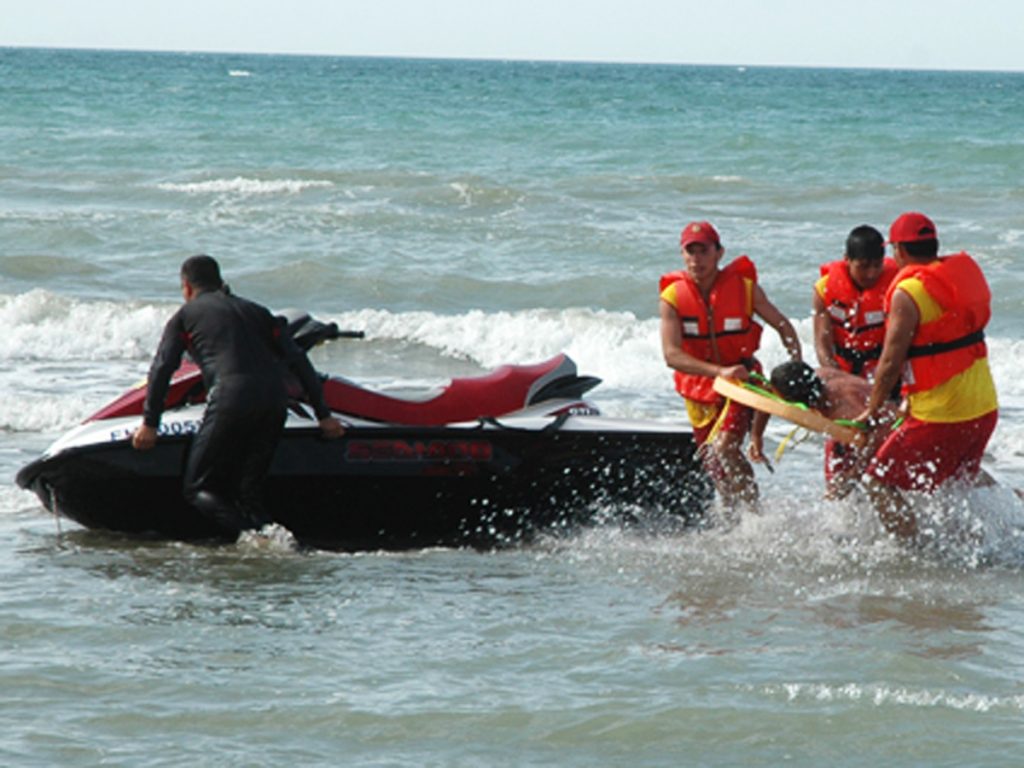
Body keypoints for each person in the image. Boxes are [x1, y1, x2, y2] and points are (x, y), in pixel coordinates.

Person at [131, 255, 346, 537]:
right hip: (275, 400)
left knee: (198, 488)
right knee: (248, 493)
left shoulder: (185, 317)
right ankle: (277, 539)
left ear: (186, 287)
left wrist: (150, 423)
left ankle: (261, 540)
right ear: (221, 282)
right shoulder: (258, 312)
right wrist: (324, 416)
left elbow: (162, 369)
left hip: (231, 398)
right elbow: (299, 362)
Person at [855, 212, 998, 539]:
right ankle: (985, 538)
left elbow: (891, 361)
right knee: (956, 484)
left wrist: (873, 408)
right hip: (984, 407)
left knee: (877, 481)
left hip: (942, 414)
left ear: (899, 252)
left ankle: (915, 555)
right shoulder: (961, 277)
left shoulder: (909, 291)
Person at [659, 220, 802, 510]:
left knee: (725, 447)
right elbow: (671, 355)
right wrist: (717, 372)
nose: (696, 259)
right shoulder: (672, 298)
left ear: (719, 253)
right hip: (701, 385)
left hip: (741, 380)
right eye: (691, 251)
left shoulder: (745, 289)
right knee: (713, 464)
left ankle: (754, 516)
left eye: (704, 251)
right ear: (682, 254)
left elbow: (783, 325)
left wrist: (795, 363)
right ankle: (732, 519)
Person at [811, 225, 899, 488]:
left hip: (885, 373)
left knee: (884, 447)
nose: (871, 274)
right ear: (846, 260)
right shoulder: (824, 289)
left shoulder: (897, 288)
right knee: (839, 449)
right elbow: (822, 341)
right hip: (844, 372)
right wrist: (835, 379)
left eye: (876, 266)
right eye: (863, 266)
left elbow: (900, 346)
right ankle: (839, 504)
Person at [767, 360, 899, 499]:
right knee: (835, 485)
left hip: (888, 433)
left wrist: (854, 474)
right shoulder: (819, 375)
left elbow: (881, 434)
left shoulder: (844, 410)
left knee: (870, 482)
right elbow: (766, 398)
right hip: (855, 431)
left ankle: (903, 520)